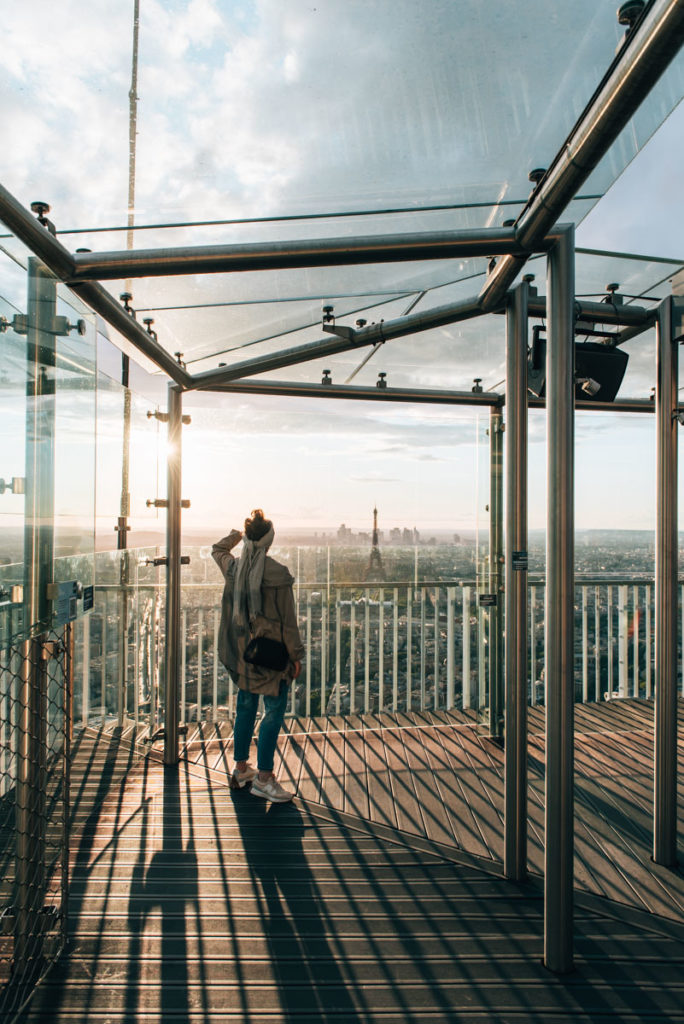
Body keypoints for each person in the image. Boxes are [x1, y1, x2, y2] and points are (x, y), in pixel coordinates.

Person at [212, 509, 303, 802]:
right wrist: (296, 656)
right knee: (273, 712)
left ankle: (241, 769)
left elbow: (217, 549)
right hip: (270, 657)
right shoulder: (278, 574)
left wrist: (239, 535)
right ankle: (264, 778)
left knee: (246, 707)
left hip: (242, 654)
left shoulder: (234, 569)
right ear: (269, 541)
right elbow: (288, 623)